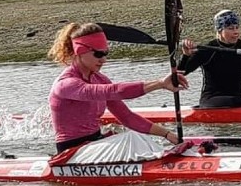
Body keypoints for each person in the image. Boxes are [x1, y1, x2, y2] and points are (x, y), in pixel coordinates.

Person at [48, 22, 188, 154]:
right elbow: (115, 91)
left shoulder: (100, 79)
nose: (104, 60)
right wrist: (160, 84)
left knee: (137, 137)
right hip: (71, 152)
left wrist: (167, 134)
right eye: (98, 54)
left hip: (96, 143)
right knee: (132, 139)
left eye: (105, 53)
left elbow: (127, 117)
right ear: (79, 52)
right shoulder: (66, 84)